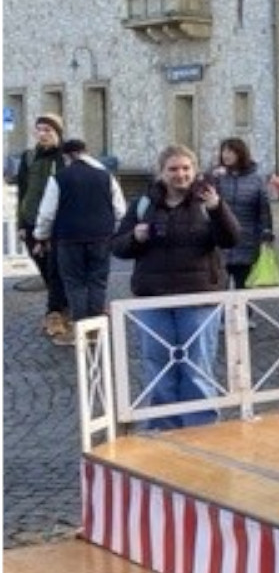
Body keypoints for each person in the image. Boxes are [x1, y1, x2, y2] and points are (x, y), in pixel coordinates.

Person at [110, 144, 240, 429]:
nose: (180, 174)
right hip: (153, 299)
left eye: (186, 168)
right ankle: (163, 426)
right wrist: (135, 238)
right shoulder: (143, 204)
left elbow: (231, 239)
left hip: (199, 298)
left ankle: (201, 426)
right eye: (173, 169)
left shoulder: (208, 201)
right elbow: (117, 246)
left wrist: (217, 209)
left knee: (197, 366)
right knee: (158, 365)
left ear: (195, 170)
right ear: (161, 173)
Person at [33, 139, 126, 346]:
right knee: (97, 282)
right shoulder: (106, 176)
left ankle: (80, 330)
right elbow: (120, 210)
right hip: (101, 237)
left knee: (75, 284)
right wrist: (113, 231)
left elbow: (47, 213)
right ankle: (95, 331)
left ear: (66, 156)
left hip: (69, 238)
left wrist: (40, 236)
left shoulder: (59, 178)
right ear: (86, 152)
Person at [17, 114, 69, 339]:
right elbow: (22, 191)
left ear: (58, 132)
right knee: (44, 268)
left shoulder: (65, 157)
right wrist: (20, 223)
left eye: (47, 130)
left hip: (57, 222)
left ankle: (55, 313)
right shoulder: (29, 157)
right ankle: (62, 307)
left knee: (56, 268)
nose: (42, 134)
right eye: (39, 129)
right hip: (31, 221)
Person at [210, 138, 276, 290]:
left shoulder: (256, 179)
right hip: (221, 244)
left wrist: (266, 234)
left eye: (230, 151)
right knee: (219, 290)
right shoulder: (217, 177)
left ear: (240, 153)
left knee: (244, 288)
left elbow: (264, 210)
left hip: (247, 242)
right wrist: (212, 178)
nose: (226, 155)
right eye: (224, 151)